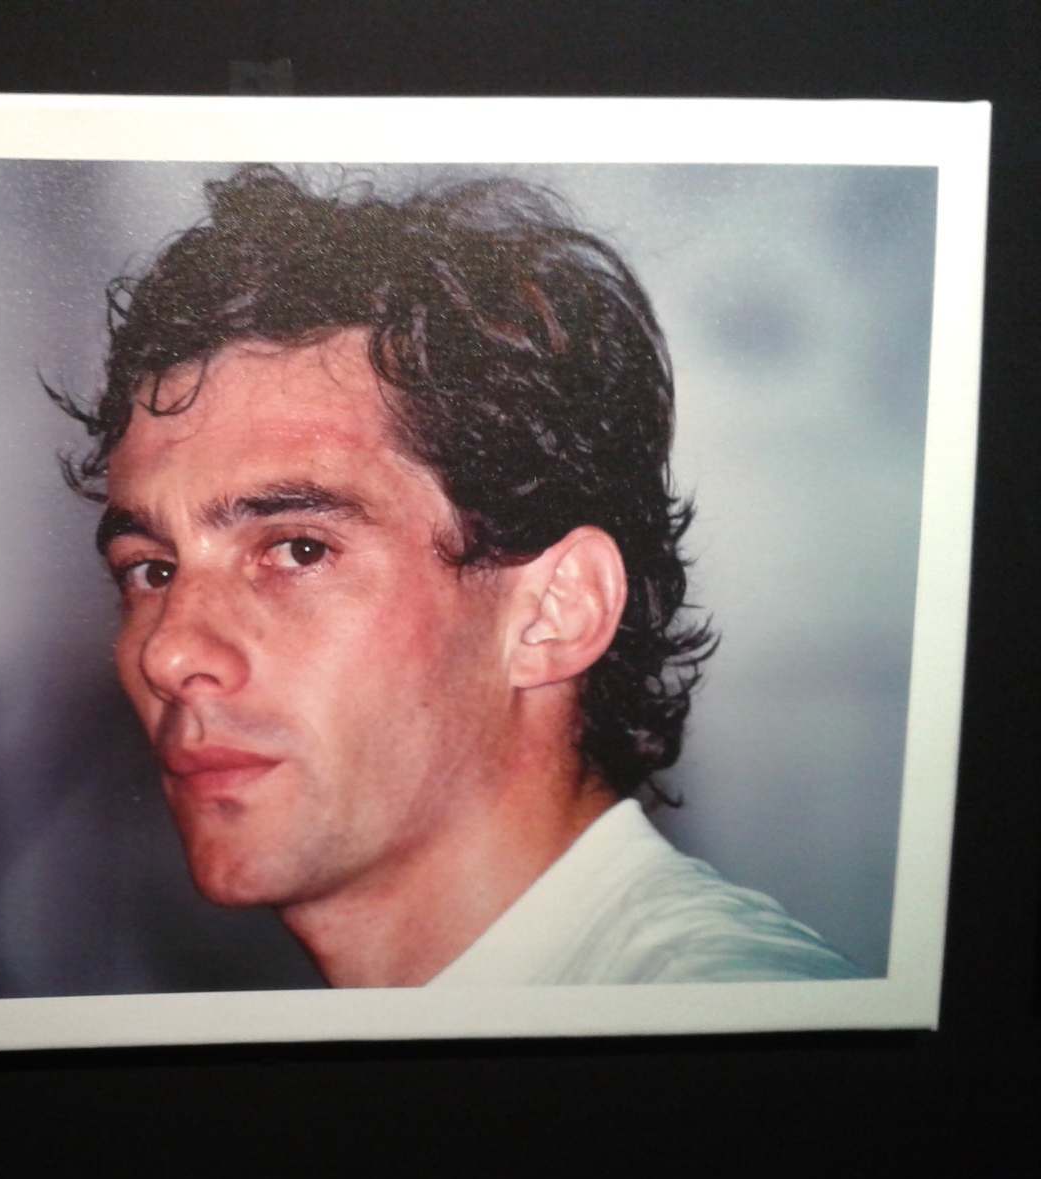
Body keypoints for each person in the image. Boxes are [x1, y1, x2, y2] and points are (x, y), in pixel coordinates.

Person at [53, 166, 858, 987]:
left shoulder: (724, 1008)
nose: (168, 653)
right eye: (151, 569)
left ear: (556, 611)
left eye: (298, 550)